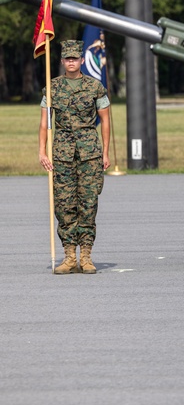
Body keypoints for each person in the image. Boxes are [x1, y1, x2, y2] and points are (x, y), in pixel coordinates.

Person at [39, 40, 111, 275]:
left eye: (75, 58)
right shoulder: (52, 88)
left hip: (90, 154)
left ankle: (87, 256)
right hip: (62, 155)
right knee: (65, 206)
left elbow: (106, 121)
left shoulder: (95, 87)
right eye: (67, 58)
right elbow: (44, 123)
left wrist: (105, 152)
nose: (71, 62)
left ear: (81, 60)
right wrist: (42, 151)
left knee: (88, 205)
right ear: (62, 62)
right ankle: (70, 256)